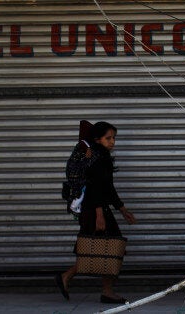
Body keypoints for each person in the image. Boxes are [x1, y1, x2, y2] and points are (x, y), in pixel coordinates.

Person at [55, 121, 136, 304]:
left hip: (96, 209)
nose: (112, 141)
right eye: (108, 138)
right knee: (108, 249)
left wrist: (122, 209)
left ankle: (71, 278)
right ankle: (98, 288)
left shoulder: (103, 156)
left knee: (104, 249)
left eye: (114, 138)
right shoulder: (96, 158)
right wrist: (100, 215)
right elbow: (95, 188)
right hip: (94, 210)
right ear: (97, 139)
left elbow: (108, 188)